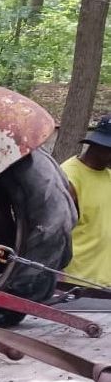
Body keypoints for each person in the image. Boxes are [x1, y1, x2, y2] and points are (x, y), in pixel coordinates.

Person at [61, 114, 111, 287]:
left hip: (104, 285)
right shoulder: (69, 179)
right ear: (100, 146)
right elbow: (52, 235)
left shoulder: (108, 175)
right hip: (75, 284)